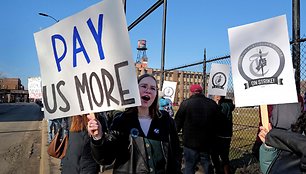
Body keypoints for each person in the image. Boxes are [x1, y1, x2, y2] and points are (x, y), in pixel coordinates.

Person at [87, 74, 182, 173]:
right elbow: (105, 158)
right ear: (135, 90)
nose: (148, 90)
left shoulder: (165, 120)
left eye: (153, 88)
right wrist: (98, 137)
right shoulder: (122, 121)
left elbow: (176, 153)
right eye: (144, 86)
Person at [175, 84, 220, 174]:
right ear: (201, 92)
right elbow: (218, 122)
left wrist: (174, 133)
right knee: (207, 164)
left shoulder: (186, 103)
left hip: (189, 142)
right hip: (206, 142)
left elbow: (177, 123)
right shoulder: (212, 104)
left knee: (189, 166)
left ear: (191, 92)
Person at [210, 95, 235, 174]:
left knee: (215, 154)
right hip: (227, 134)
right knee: (225, 155)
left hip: (219, 134)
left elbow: (217, 118)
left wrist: (216, 104)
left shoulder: (222, 106)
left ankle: (218, 170)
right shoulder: (228, 104)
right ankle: (225, 170)